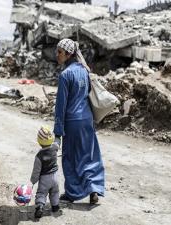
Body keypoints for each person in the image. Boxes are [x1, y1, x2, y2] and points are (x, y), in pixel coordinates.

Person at [53, 38, 105, 204]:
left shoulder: (65, 75)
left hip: (72, 122)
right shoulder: (84, 70)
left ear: (68, 54)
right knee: (89, 156)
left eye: (60, 52)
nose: (57, 55)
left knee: (70, 158)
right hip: (87, 120)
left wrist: (57, 134)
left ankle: (72, 193)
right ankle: (94, 189)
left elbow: (60, 108)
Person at [30, 125, 60, 219]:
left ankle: (40, 207)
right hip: (55, 177)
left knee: (41, 193)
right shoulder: (54, 148)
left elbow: (36, 171)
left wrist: (33, 180)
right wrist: (58, 136)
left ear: (39, 141)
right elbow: (58, 142)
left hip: (44, 179)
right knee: (55, 192)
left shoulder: (39, 156)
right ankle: (55, 206)